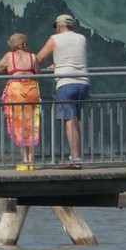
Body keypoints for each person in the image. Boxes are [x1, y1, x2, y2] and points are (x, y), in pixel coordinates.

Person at [36, 14, 89, 169]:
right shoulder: (81, 38)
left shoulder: (55, 39)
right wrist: (57, 63)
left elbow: (38, 59)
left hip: (66, 83)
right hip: (83, 82)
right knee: (76, 121)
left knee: (70, 122)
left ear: (58, 26)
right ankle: (76, 158)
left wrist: (53, 66)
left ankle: (76, 160)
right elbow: (73, 57)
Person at [0, 33, 41, 170]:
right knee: (32, 123)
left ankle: (24, 160)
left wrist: (10, 71)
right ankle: (31, 161)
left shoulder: (9, 56)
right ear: (24, 44)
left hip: (16, 91)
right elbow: (38, 72)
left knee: (18, 124)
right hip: (31, 91)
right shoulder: (33, 56)